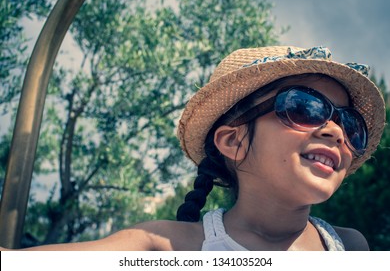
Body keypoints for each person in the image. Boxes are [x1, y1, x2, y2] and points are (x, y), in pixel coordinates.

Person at [0, 45, 386, 251]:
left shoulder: (351, 247)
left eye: (348, 122)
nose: (335, 130)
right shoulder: (164, 246)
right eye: (306, 107)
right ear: (233, 141)